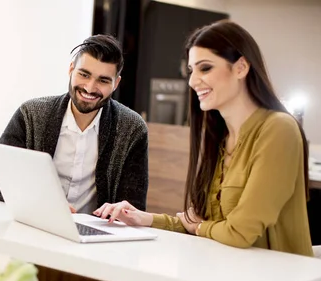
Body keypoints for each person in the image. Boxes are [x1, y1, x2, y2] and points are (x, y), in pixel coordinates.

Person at [94, 20, 313, 257]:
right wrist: (142, 218)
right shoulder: (220, 138)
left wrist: (199, 227)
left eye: (205, 68)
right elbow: (200, 224)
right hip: (226, 271)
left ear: (241, 67)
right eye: (191, 70)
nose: (192, 81)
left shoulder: (279, 130)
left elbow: (239, 233)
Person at [0, 34, 149, 213]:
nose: (90, 88)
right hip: (35, 222)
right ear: (71, 70)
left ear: (116, 84)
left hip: (92, 235)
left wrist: (123, 212)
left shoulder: (132, 129)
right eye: (84, 74)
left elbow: (133, 206)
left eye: (103, 80)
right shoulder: (32, 114)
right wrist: (37, 202)